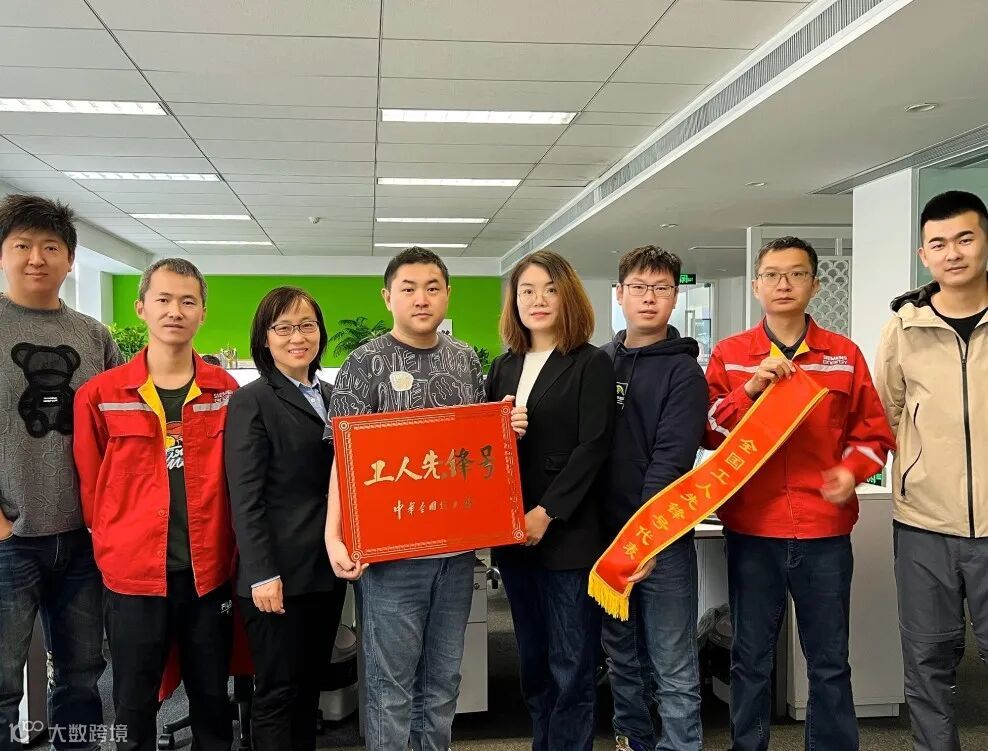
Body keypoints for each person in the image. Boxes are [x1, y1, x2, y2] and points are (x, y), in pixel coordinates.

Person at [325, 247, 527, 751]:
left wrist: (501, 426)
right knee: (390, 687)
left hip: (455, 555)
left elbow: (471, 452)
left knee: (443, 682)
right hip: (391, 559)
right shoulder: (363, 363)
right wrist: (334, 535)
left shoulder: (465, 359)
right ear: (387, 297)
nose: (421, 299)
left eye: (432, 288)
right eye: (409, 288)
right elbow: (343, 461)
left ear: (447, 295)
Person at [704, 236, 895, 751]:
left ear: (814, 284)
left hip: (823, 531)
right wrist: (749, 390)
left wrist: (851, 472)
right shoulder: (731, 355)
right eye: (772, 275)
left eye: (795, 274)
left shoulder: (843, 355)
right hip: (752, 529)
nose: (783, 284)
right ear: (756, 286)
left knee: (829, 660)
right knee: (750, 656)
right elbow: (708, 432)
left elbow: (875, 436)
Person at [74, 258, 239, 751]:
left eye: (188, 301)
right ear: (141, 307)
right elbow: (91, 484)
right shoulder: (101, 395)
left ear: (202, 313)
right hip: (134, 576)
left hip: (208, 574)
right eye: (163, 299)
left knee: (213, 697)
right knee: (133, 700)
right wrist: (114, 543)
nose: (175, 311)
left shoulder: (225, 392)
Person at [0, 194, 120, 751]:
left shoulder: (94, 337)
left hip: (84, 538)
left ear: (70, 260)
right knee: (2, 686)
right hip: (10, 539)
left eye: (51, 247)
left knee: (82, 676)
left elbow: (120, 430)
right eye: (22, 245)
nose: (36, 258)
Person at [485, 249, 615, 751]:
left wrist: (546, 512)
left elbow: (593, 447)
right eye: (527, 291)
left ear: (569, 297)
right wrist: (499, 428)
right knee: (533, 662)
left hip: (567, 535)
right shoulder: (503, 366)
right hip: (513, 535)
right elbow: (485, 451)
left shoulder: (590, 362)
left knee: (572, 665)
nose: (537, 300)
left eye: (550, 289)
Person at [875, 190, 988, 751]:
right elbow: (886, 413)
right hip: (923, 524)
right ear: (924, 255)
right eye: (939, 243)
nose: (953, 253)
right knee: (927, 663)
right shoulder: (904, 326)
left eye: (965, 238)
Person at [225, 287, 346, 751]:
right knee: (277, 693)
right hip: (277, 575)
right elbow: (245, 496)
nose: (298, 337)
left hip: (326, 569)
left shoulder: (335, 397)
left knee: (310, 689)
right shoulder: (252, 400)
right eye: (284, 328)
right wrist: (261, 573)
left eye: (307, 325)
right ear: (265, 337)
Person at [599, 246, 708, 751]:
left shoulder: (684, 373)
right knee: (621, 658)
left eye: (661, 288)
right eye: (639, 288)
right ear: (619, 293)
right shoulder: (599, 362)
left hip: (660, 539)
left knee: (673, 666)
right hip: (606, 540)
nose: (649, 298)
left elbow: (671, 460)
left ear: (674, 297)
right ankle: (633, 743)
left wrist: (643, 539)